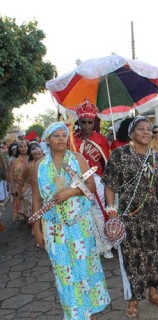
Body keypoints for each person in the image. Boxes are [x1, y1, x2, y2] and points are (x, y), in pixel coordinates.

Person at [31, 122, 110, 320]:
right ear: (47, 140)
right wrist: (37, 229)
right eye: (56, 135)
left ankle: (89, 312)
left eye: (63, 135)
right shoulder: (39, 167)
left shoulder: (76, 159)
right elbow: (36, 199)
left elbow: (91, 187)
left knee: (85, 269)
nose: (61, 139)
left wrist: (71, 191)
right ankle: (73, 315)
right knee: (64, 272)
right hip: (54, 228)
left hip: (80, 225)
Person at [102, 116, 158, 318]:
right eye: (141, 129)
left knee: (155, 255)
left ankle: (154, 293)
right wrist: (111, 212)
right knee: (133, 258)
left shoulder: (156, 157)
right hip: (129, 217)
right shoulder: (119, 155)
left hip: (153, 217)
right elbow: (109, 185)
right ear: (131, 133)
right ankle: (134, 300)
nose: (146, 132)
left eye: (149, 129)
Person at [73, 98, 113, 258]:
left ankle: (107, 244)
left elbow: (107, 160)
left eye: (90, 122)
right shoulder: (72, 139)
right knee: (84, 212)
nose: (87, 125)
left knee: (102, 209)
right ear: (79, 122)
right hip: (80, 181)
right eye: (84, 122)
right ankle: (91, 245)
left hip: (99, 179)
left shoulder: (100, 139)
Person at [18, 146, 44, 219]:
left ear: (42, 154)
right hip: (31, 190)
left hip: (44, 188)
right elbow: (23, 179)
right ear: (32, 155)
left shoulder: (46, 164)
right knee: (32, 209)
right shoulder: (29, 166)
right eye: (35, 154)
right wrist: (20, 192)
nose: (38, 156)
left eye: (39, 153)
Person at [7, 140, 30, 222]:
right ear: (18, 148)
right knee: (21, 205)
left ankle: (30, 220)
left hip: (30, 186)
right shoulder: (14, 159)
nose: (23, 148)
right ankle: (27, 220)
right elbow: (10, 174)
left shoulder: (30, 157)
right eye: (21, 147)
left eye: (25, 146)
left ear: (28, 147)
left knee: (29, 204)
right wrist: (12, 187)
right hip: (18, 186)